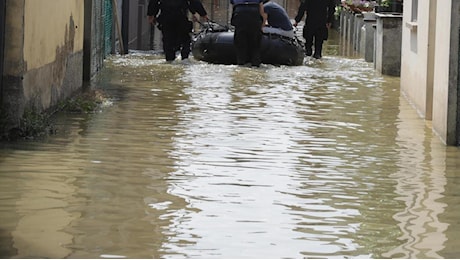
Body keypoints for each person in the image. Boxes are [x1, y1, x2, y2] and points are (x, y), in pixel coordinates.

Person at [230, 0, 267, 67]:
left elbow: (233, 10)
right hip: (254, 16)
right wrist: (262, 26)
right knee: (255, 45)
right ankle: (255, 64)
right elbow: (262, 12)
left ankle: (241, 63)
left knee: (240, 45)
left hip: (240, 15)